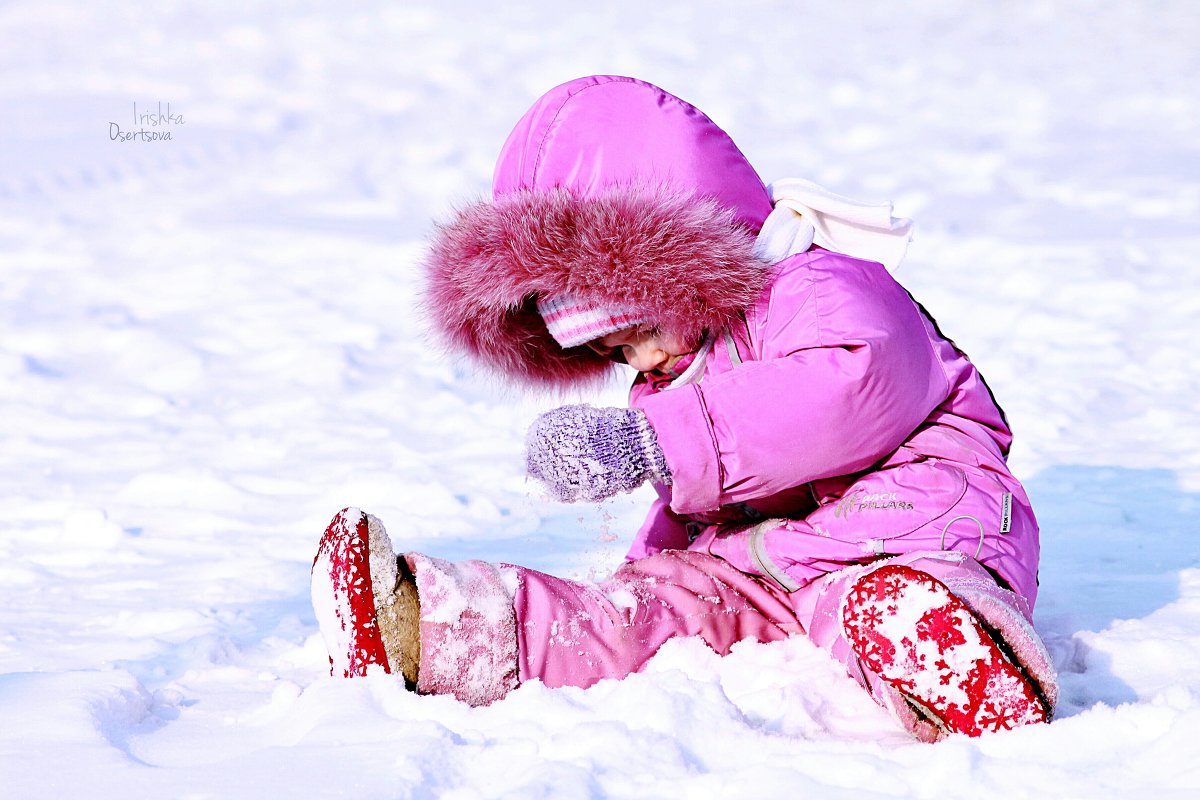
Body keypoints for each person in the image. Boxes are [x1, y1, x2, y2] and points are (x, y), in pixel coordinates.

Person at [310, 75, 1057, 741]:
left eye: (638, 331)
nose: (637, 362)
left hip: (909, 530)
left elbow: (846, 389)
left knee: (880, 608)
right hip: (765, 568)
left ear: (684, 266)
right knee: (646, 614)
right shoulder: (669, 378)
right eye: (611, 354)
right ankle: (435, 627)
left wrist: (651, 444)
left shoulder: (818, 289)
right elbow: (694, 501)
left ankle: (963, 653)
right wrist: (645, 572)